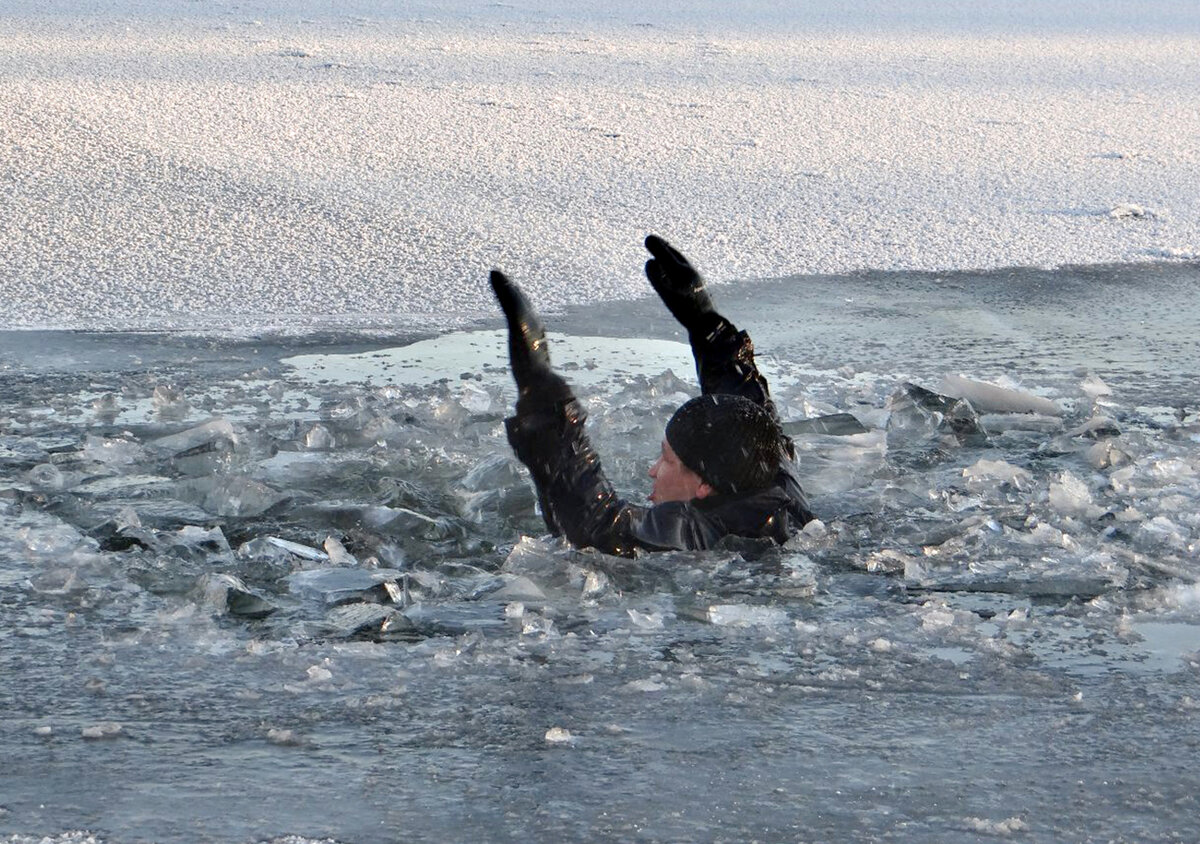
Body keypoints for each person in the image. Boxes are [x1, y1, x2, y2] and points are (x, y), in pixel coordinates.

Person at [490, 235, 814, 557]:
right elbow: (753, 419)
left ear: (704, 486)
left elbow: (598, 527)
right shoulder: (777, 487)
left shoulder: (700, 533)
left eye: (668, 460)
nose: (653, 470)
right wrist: (706, 323)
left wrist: (537, 384)